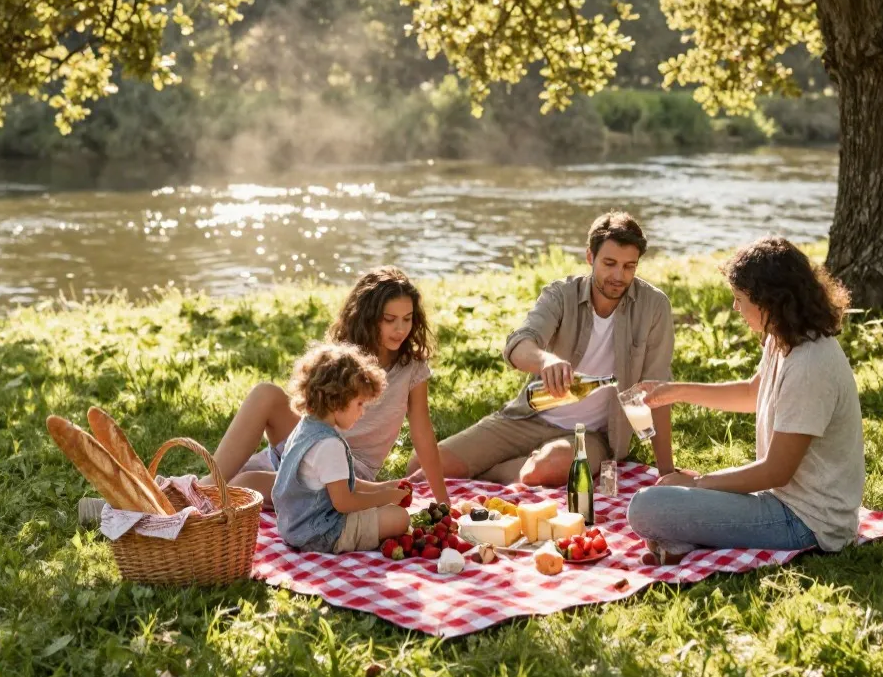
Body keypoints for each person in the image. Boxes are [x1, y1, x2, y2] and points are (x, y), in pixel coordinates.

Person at [625, 236, 864, 563]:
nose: (736, 308)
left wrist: (698, 483)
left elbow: (776, 471)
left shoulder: (811, 364)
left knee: (646, 507)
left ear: (769, 301)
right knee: (665, 499)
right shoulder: (783, 339)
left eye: (740, 298)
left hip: (808, 522)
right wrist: (674, 391)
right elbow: (753, 393)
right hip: (780, 501)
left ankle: (683, 538)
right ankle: (684, 540)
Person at [409, 211, 676, 487]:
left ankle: (489, 475)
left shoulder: (654, 307)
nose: (619, 276)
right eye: (609, 263)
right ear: (590, 257)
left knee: (543, 470)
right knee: (421, 465)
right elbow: (518, 344)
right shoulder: (561, 295)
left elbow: (656, 392)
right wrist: (545, 361)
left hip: (590, 436)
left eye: (629, 266)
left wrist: (666, 471)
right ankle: (498, 470)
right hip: (529, 416)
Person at [209, 267, 452, 507]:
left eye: (407, 319)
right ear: (367, 318)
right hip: (311, 444)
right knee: (265, 394)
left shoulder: (412, 367)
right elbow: (312, 411)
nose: (401, 329)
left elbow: (423, 435)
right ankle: (202, 489)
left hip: (347, 471)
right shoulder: (344, 356)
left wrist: (443, 502)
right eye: (389, 320)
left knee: (245, 486)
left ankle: (224, 492)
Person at [272, 342, 410, 553]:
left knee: (382, 508)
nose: (362, 412)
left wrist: (382, 488)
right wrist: (387, 498)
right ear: (337, 401)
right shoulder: (329, 445)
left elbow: (341, 484)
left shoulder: (306, 427)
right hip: (323, 534)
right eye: (359, 404)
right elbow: (344, 502)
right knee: (399, 518)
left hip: (295, 527)